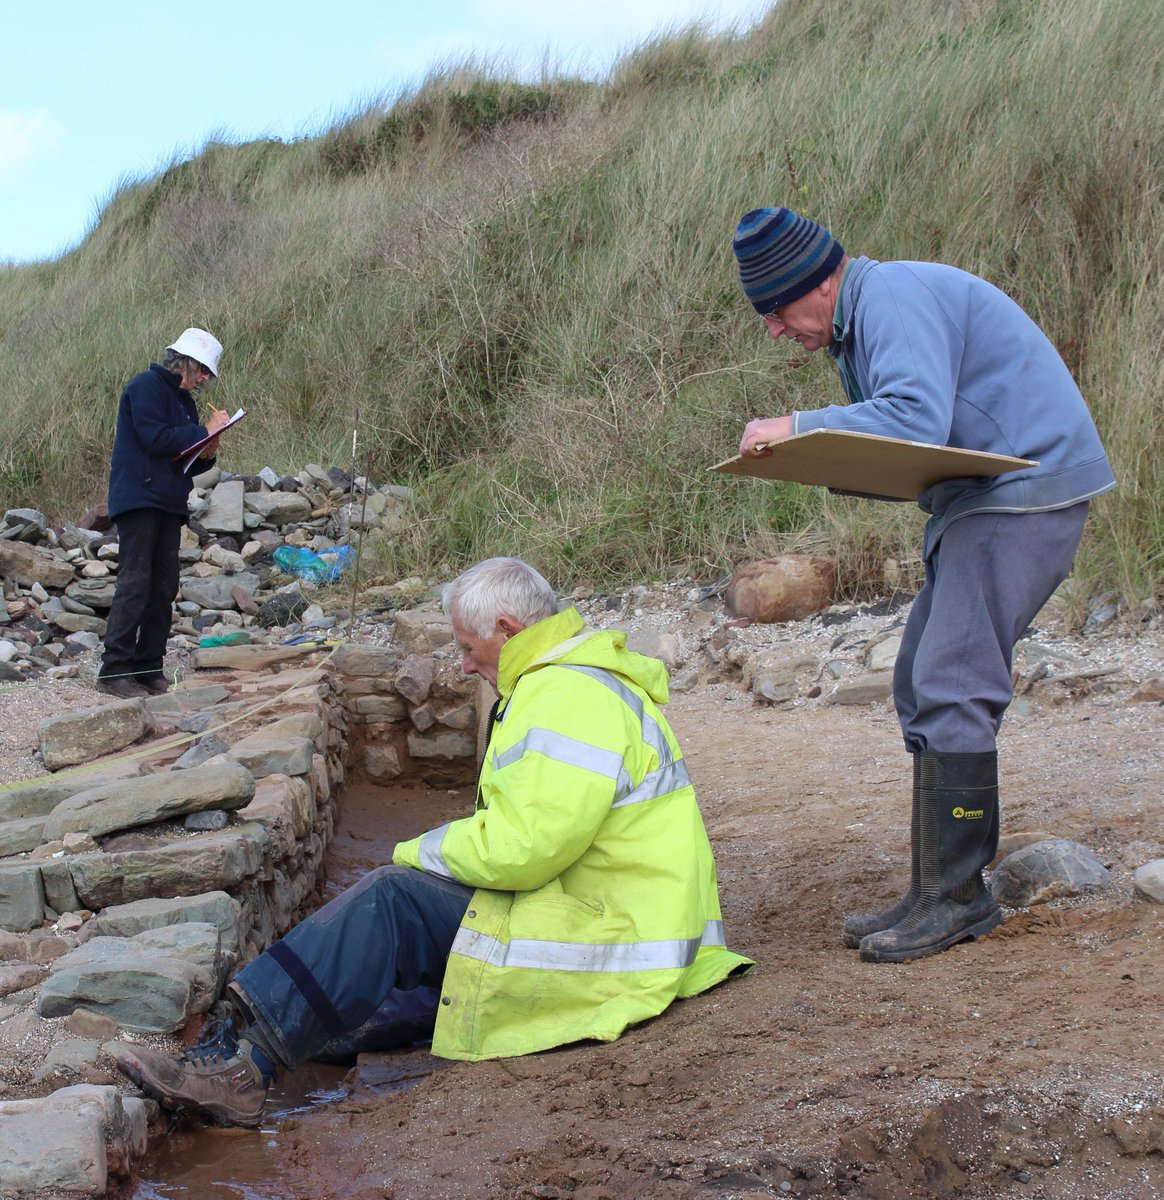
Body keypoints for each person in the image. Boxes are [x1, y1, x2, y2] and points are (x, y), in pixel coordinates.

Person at [117, 557, 752, 1127]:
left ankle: (238, 1065)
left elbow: (522, 850)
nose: (465, 664)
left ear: (507, 628)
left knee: (392, 900)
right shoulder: (572, 681)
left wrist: (415, 852)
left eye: (470, 647)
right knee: (344, 1027)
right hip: (614, 918)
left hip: (610, 938)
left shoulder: (567, 696)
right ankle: (259, 1037)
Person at [732, 207, 1115, 964]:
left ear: (816, 283)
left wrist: (798, 425)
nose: (776, 330)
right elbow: (909, 444)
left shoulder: (890, 298)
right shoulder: (867, 315)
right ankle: (934, 887)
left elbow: (914, 418)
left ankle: (959, 899)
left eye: (775, 311)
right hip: (987, 498)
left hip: (1024, 493)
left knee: (951, 680)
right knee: (919, 679)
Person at [97, 328, 231, 699]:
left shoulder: (186, 403)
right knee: (135, 582)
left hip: (169, 503)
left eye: (207, 372)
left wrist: (207, 448)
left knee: (163, 586)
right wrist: (201, 431)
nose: (204, 378)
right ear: (184, 361)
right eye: (202, 369)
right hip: (139, 498)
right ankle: (114, 670)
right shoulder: (144, 386)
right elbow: (155, 439)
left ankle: (147, 667)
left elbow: (190, 463)